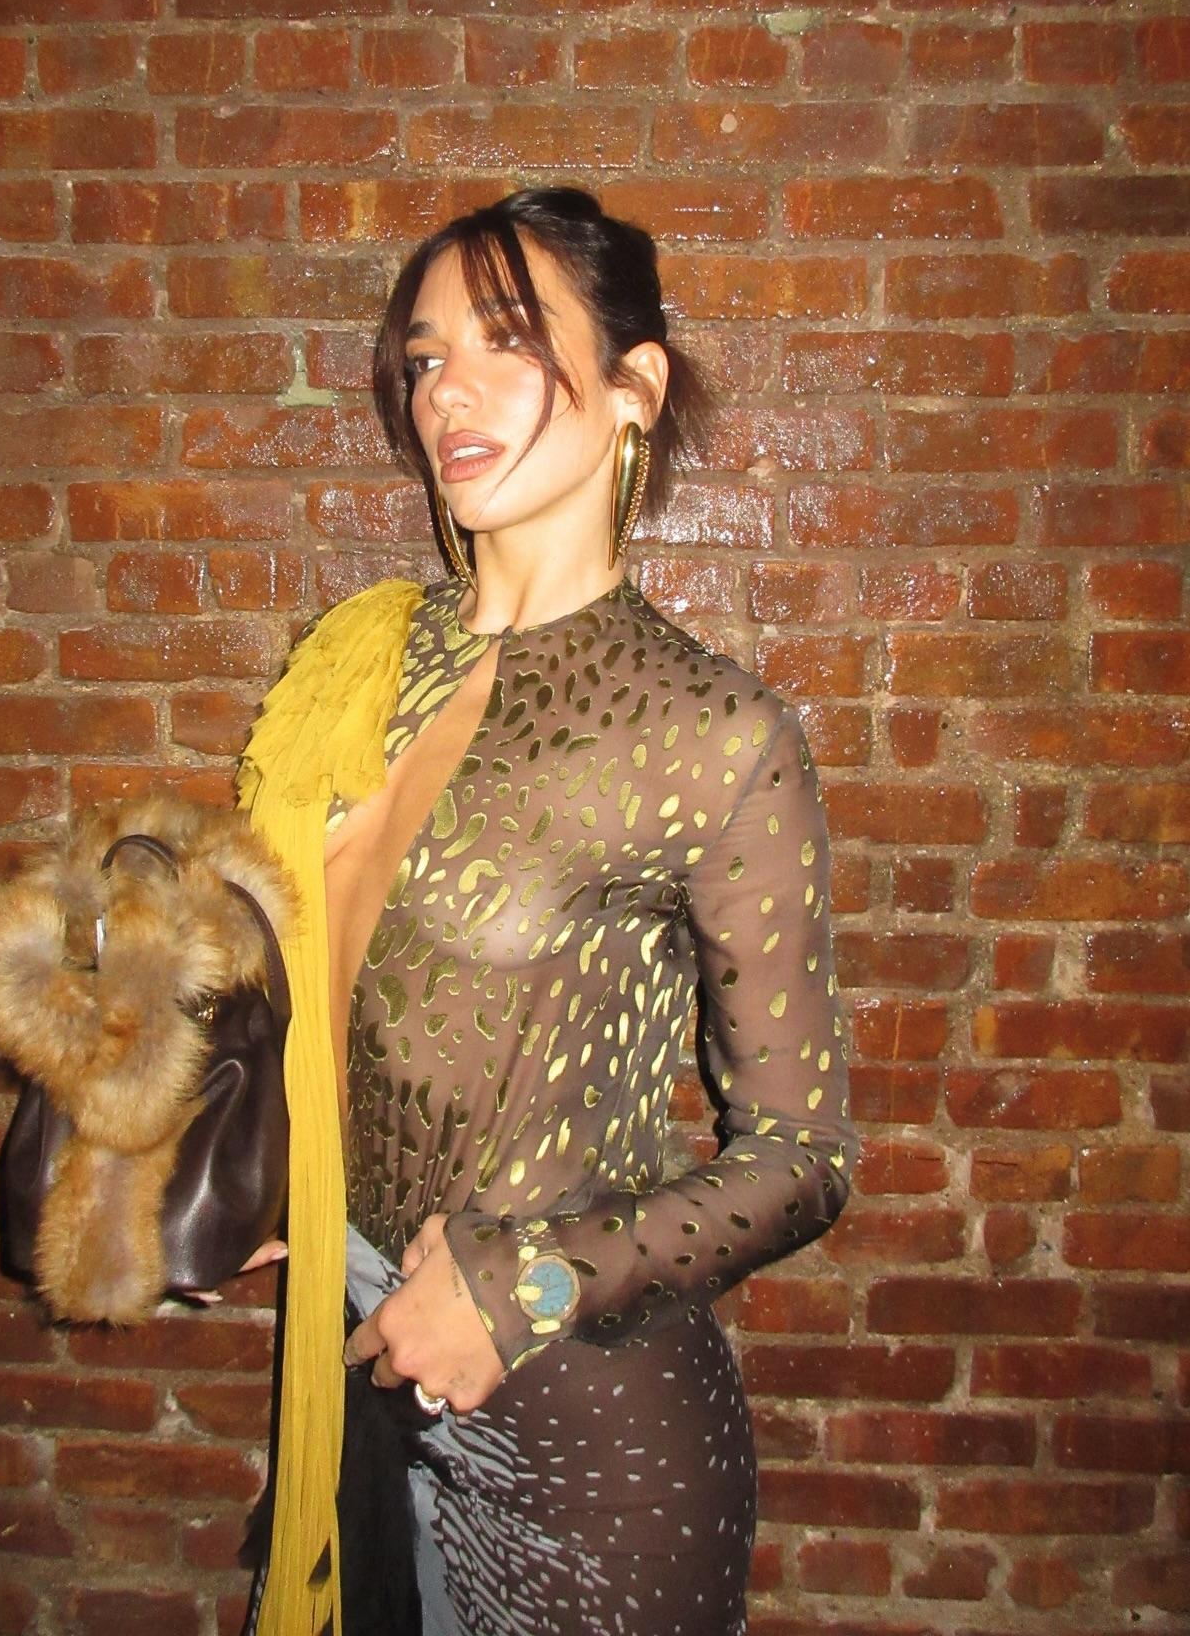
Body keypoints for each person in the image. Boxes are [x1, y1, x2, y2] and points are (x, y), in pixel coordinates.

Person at [236, 187, 857, 1636]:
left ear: (635, 385)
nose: (446, 391)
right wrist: (264, 1168)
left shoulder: (713, 732)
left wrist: (524, 1286)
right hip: (360, 1368)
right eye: (426, 356)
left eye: (507, 342)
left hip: (587, 1439)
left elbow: (804, 1158)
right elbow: (319, 1003)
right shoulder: (358, 664)